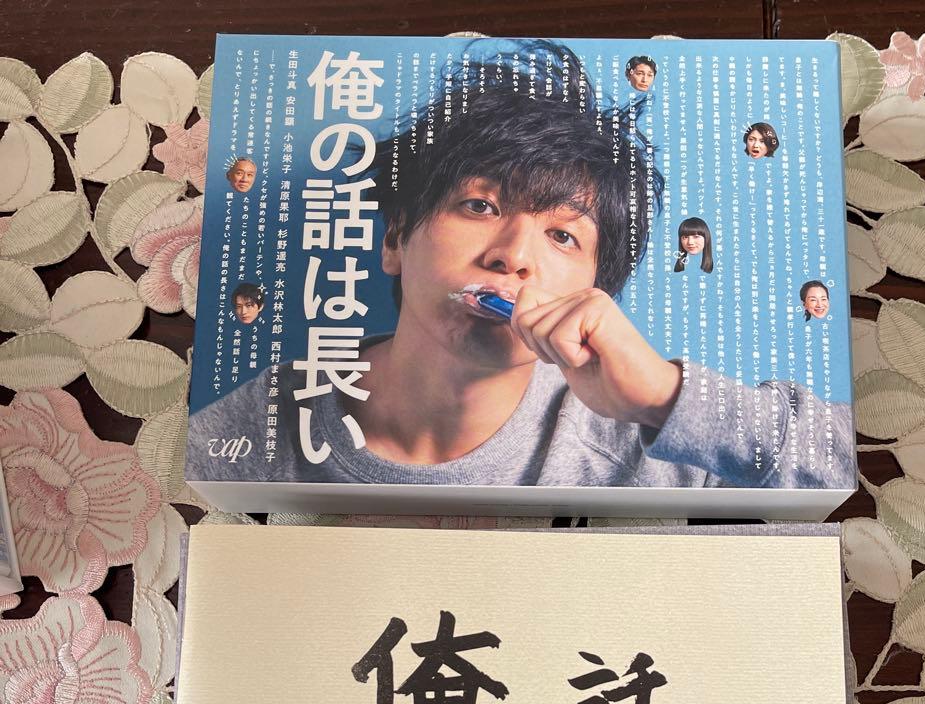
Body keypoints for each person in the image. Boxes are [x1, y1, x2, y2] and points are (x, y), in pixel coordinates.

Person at [190, 41, 852, 491]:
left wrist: (664, 397)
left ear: (596, 292)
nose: (512, 254)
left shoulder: (648, 442)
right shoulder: (260, 427)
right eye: (479, 205)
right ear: (395, 239)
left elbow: (847, 468)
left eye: (562, 235)